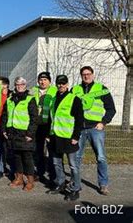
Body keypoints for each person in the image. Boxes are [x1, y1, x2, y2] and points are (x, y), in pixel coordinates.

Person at [73, 66, 116, 195]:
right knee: (76, 158)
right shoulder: (75, 90)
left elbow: (111, 109)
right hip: (79, 129)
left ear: (93, 74)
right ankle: (75, 183)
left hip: (95, 129)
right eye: (84, 74)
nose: (86, 76)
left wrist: (103, 122)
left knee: (101, 157)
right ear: (81, 76)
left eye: (88, 74)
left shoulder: (101, 89)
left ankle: (103, 184)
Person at [47, 75, 84, 201]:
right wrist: (48, 134)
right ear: (56, 84)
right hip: (55, 137)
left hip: (69, 138)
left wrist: (76, 136)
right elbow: (51, 119)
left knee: (73, 165)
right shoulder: (53, 99)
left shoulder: (74, 99)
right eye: (59, 83)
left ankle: (76, 188)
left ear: (67, 84)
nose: (61, 85)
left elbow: (79, 120)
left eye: (63, 83)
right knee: (56, 162)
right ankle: (60, 183)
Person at [1, 76, 38, 191]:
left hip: (25, 133)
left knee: (27, 158)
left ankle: (30, 181)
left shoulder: (30, 99)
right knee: (16, 157)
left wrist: (30, 134)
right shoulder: (10, 100)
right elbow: (5, 116)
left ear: (25, 86)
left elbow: (34, 118)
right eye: (17, 84)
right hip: (12, 133)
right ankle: (19, 178)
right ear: (15, 86)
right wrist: (4, 130)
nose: (19, 86)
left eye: (22, 84)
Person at [30, 71, 57, 184]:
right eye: (41, 79)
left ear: (49, 81)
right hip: (37, 125)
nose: (42, 81)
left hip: (49, 124)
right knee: (38, 150)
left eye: (45, 79)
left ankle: (52, 174)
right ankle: (39, 173)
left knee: (51, 151)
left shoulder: (54, 91)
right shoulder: (33, 90)